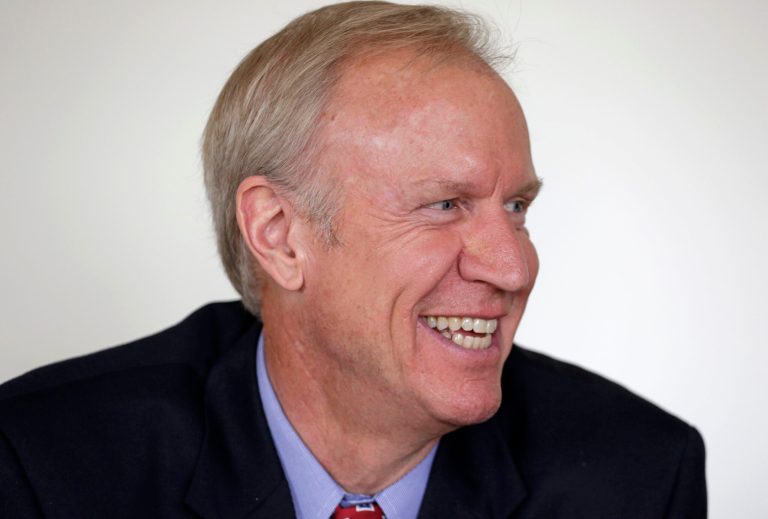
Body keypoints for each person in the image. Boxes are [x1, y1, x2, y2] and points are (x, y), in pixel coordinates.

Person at [0, 2, 706, 517]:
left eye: (516, 207)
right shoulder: (43, 464)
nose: (514, 268)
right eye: (446, 204)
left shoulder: (637, 475)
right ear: (279, 234)